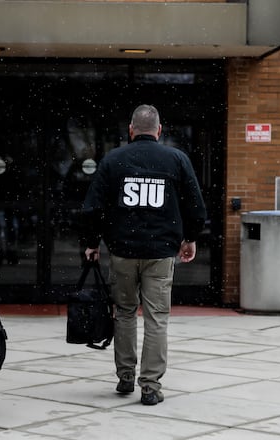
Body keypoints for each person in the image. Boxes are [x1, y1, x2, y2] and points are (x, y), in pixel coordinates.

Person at [81, 104, 207, 405]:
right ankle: (150, 386)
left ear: (131, 130)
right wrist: (190, 238)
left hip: (123, 250)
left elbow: (93, 207)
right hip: (161, 253)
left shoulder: (113, 160)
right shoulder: (176, 159)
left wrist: (92, 242)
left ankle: (125, 376)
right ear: (159, 130)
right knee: (157, 318)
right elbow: (195, 206)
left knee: (124, 313)